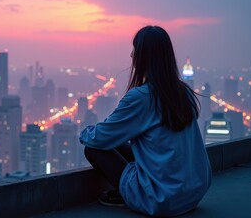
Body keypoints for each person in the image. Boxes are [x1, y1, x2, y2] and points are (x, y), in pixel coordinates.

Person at [79, 26, 212, 216]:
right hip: (193, 193)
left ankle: (128, 194)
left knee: (93, 149)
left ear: (144, 55)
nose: (132, 55)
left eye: (135, 49)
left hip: (163, 199)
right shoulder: (184, 92)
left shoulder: (141, 97)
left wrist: (85, 132)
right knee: (119, 144)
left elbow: (99, 138)